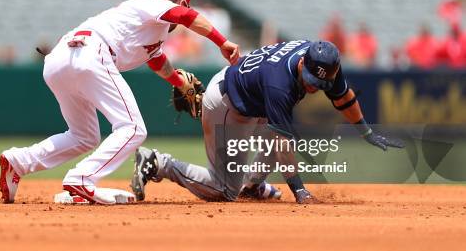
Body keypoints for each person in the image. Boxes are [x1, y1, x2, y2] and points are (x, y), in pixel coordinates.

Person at [0, 0, 240, 204]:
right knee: (133, 128)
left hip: (59, 60)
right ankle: (82, 179)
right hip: (91, 53)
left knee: (84, 136)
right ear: (182, 2)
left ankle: (18, 162)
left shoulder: (149, 26)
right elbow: (185, 15)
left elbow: (156, 59)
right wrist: (222, 42)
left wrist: (178, 82)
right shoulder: (154, 5)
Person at [131, 40, 403, 204]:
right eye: (311, 80)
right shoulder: (280, 84)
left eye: (321, 84)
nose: (313, 87)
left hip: (251, 94)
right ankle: (158, 162)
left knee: (280, 129)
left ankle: (253, 185)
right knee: (223, 189)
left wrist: (366, 131)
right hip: (228, 104)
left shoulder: (324, 61)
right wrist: (300, 191)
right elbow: (281, 144)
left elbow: (343, 96)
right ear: (302, 65)